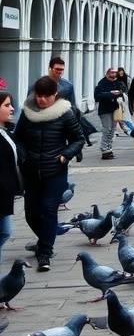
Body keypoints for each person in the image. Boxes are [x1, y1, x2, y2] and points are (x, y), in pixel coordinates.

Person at [14, 75, 85, 272]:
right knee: (30, 214)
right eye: (39, 96)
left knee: (48, 210)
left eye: (46, 96)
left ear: (55, 95)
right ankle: (45, 238)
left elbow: (78, 139)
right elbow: (17, 138)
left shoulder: (65, 113)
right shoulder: (27, 113)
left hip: (55, 170)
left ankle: (44, 253)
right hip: (31, 170)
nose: (42, 100)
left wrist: (66, 155)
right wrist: (23, 156)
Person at [0, 92, 20, 268]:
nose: (12, 108)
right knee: (4, 232)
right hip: (1, 194)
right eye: (6, 105)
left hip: (6, 194)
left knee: (5, 232)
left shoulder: (6, 132)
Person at [94, 67, 125, 160]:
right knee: (107, 129)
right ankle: (104, 149)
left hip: (115, 108)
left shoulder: (117, 82)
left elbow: (122, 92)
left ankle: (109, 148)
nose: (114, 74)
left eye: (115, 73)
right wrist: (110, 94)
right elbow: (97, 96)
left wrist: (119, 93)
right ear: (107, 73)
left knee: (113, 129)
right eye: (112, 73)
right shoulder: (101, 83)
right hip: (104, 110)